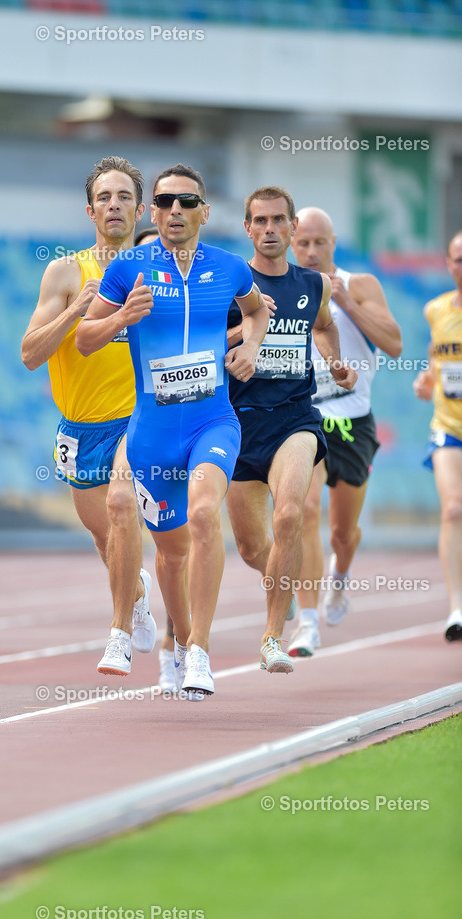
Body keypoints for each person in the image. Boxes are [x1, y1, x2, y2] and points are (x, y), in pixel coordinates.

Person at [76, 164, 270, 698]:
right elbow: (86, 339)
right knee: (168, 552)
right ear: (152, 212)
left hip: (212, 421)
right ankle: (160, 636)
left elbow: (256, 312)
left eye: (187, 202)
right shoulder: (129, 268)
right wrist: (120, 318)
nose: (175, 211)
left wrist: (250, 346)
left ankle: (199, 654)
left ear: (205, 212)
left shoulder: (230, 268)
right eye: (163, 203)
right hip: (152, 432)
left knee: (206, 515)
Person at [21, 155, 156, 676]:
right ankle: (137, 594)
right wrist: (78, 308)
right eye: (105, 197)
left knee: (124, 506)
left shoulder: (158, 272)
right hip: (81, 426)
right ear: (90, 210)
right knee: (105, 537)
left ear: (140, 208)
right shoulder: (65, 272)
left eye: (124, 196)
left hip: (138, 420)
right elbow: (31, 354)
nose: (115, 205)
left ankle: (118, 633)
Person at [226, 186, 358, 673]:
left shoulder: (313, 284)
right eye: (259, 221)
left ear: (292, 227)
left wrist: (336, 362)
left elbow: (322, 326)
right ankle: (288, 582)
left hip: (295, 419)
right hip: (237, 425)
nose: (269, 230)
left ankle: (270, 638)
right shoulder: (229, 283)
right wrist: (246, 329)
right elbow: (204, 345)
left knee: (290, 517)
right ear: (247, 228)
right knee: (251, 547)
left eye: (278, 220)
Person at [287, 207, 402, 656]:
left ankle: (339, 576)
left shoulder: (360, 284)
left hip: (353, 420)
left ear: (334, 242)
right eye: (304, 243)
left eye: (320, 242)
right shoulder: (285, 289)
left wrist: (347, 302)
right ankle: (308, 623)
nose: (312, 251)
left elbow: (394, 345)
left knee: (341, 533)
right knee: (305, 512)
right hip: (304, 419)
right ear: (293, 245)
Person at [134, 226, 178, 692]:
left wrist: (251, 324)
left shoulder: (192, 301)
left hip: (182, 430)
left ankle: (176, 644)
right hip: (126, 430)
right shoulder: (120, 304)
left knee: (175, 549)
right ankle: (136, 595)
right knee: (120, 526)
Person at [413, 231, 462, 642]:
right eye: (458, 259)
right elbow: (437, 352)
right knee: (452, 510)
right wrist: (427, 378)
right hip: (448, 426)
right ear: (448, 264)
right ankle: (456, 608)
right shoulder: (436, 309)